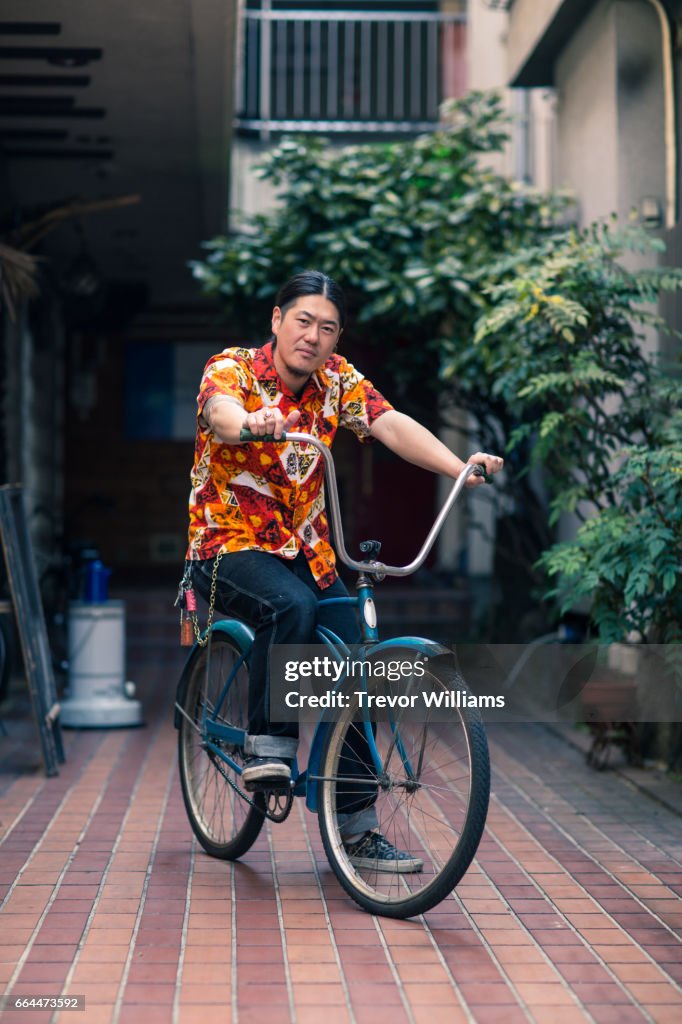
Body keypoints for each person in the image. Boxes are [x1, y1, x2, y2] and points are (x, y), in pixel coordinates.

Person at [186, 270, 503, 871]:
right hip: (226, 546)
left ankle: (356, 828)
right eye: (303, 321)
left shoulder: (337, 381)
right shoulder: (232, 369)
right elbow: (222, 414)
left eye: (327, 327)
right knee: (292, 608)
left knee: (360, 665)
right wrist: (252, 422)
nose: (313, 336)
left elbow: (389, 423)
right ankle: (268, 743)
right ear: (277, 320)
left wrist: (459, 465)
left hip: (307, 552)